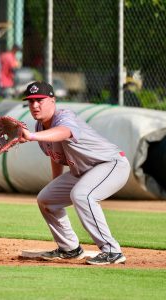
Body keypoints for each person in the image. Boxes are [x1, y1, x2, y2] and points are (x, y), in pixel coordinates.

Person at [20, 81, 131, 265]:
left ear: (53, 100)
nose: (35, 105)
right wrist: (55, 186)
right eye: (31, 101)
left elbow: (64, 132)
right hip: (84, 171)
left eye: (40, 100)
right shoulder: (41, 128)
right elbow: (55, 156)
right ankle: (69, 248)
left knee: (82, 195)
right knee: (46, 199)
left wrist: (31, 136)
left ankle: (112, 251)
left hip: (111, 164)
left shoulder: (63, 116)